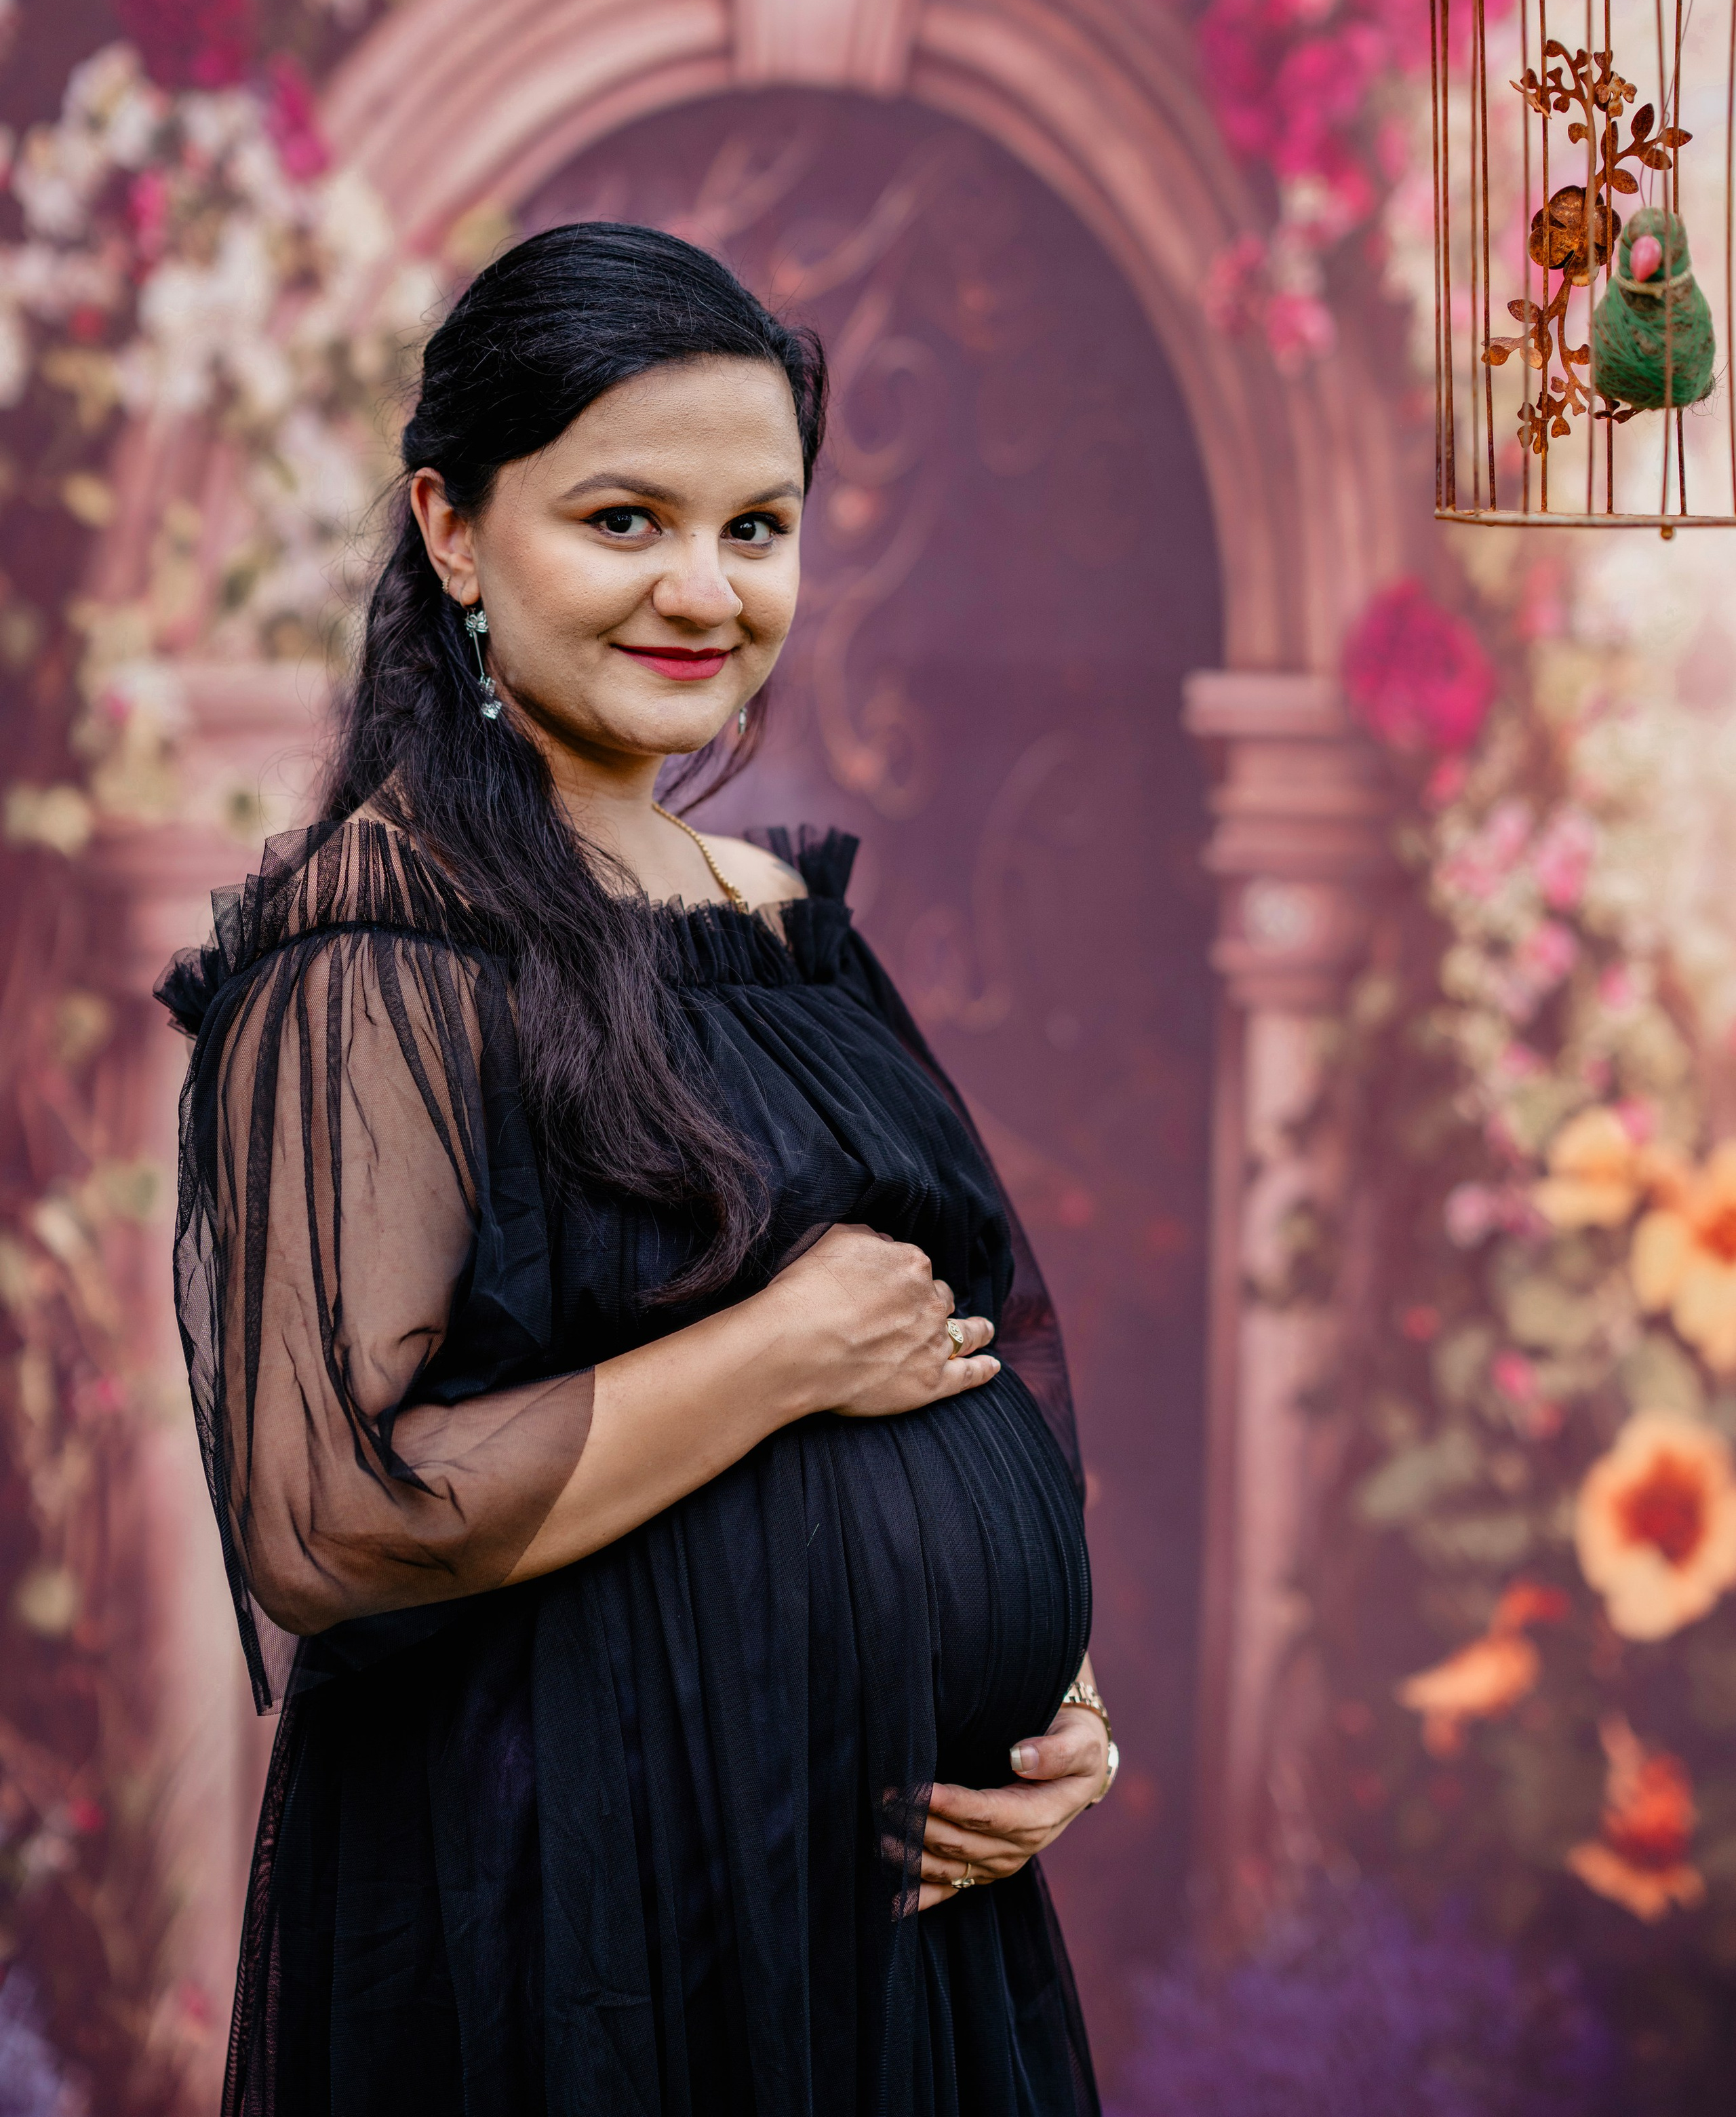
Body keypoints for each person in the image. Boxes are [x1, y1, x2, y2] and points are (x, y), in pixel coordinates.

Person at [159, 222, 1113, 2117]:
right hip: (589, 1924)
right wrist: (779, 1356)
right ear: (453, 529)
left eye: (758, 528)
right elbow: (329, 1519)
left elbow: (965, 1334)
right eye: (624, 521)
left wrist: (1049, 1702)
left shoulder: (776, 921)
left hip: (890, 1924)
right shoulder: (378, 965)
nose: (705, 589)